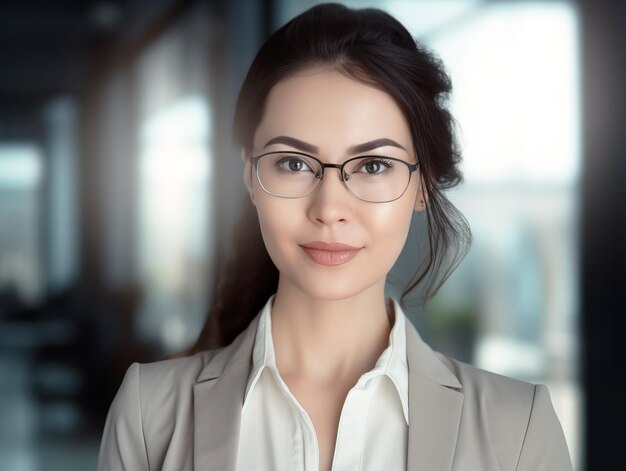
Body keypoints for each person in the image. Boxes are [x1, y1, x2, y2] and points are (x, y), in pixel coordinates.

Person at [97, 3, 573, 470]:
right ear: (250, 175)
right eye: (293, 163)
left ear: (423, 183)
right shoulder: (149, 413)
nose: (329, 210)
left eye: (373, 166)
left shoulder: (518, 431)